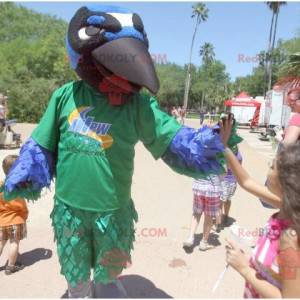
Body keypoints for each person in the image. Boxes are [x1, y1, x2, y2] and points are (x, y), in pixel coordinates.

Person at [1, 5, 241, 298]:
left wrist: (208, 143)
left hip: (114, 214)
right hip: (69, 212)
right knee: (76, 279)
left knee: (107, 276)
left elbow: (172, 139)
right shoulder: (65, 96)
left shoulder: (137, 106)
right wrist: (26, 172)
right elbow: (42, 144)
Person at [220, 115, 300, 298]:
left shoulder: (290, 238)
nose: (268, 166)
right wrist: (224, 147)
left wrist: (244, 269)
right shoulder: (287, 205)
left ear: (286, 182)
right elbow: (246, 182)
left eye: (272, 166)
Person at [0, 155, 28, 275]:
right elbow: (21, 206)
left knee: (1, 242)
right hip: (16, 220)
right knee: (14, 242)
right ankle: (11, 266)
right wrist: (25, 214)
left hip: (2, 220)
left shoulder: (1, 185)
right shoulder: (18, 188)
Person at [183, 174, 222, 251]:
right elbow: (223, 174)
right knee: (209, 216)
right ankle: (203, 242)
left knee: (196, 213)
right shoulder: (221, 161)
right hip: (213, 189)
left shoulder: (199, 160)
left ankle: (190, 238)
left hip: (199, 186)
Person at [220, 149, 242, 227]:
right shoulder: (238, 154)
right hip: (232, 180)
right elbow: (239, 168)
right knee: (227, 200)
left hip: (224, 180)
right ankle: (225, 216)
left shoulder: (225, 152)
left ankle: (219, 221)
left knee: (221, 201)